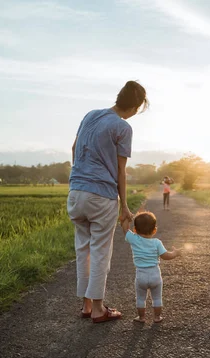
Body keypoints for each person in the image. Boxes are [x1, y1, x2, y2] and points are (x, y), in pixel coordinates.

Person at [67, 81, 149, 323]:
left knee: (83, 249)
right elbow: (121, 171)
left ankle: (86, 304)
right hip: (101, 195)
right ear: (136, 106)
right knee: (100, 251)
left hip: (76, 192)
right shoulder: (123, 128)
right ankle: (99, 309)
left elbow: (74, 148)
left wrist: (80, 175)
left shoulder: (91, 115)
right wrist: (124, 206)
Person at [120, 211, 180, 323]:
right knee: (157, 298)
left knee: (140, 298)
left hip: (141, 275)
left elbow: (125, 230)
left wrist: (126, 219)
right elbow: (166, 256)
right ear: (154, 230)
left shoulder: (134, 239)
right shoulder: (157, 243)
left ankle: (141, 317)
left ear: (135, 230)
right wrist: (175, 253)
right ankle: (157, 317)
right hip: (155, 274)